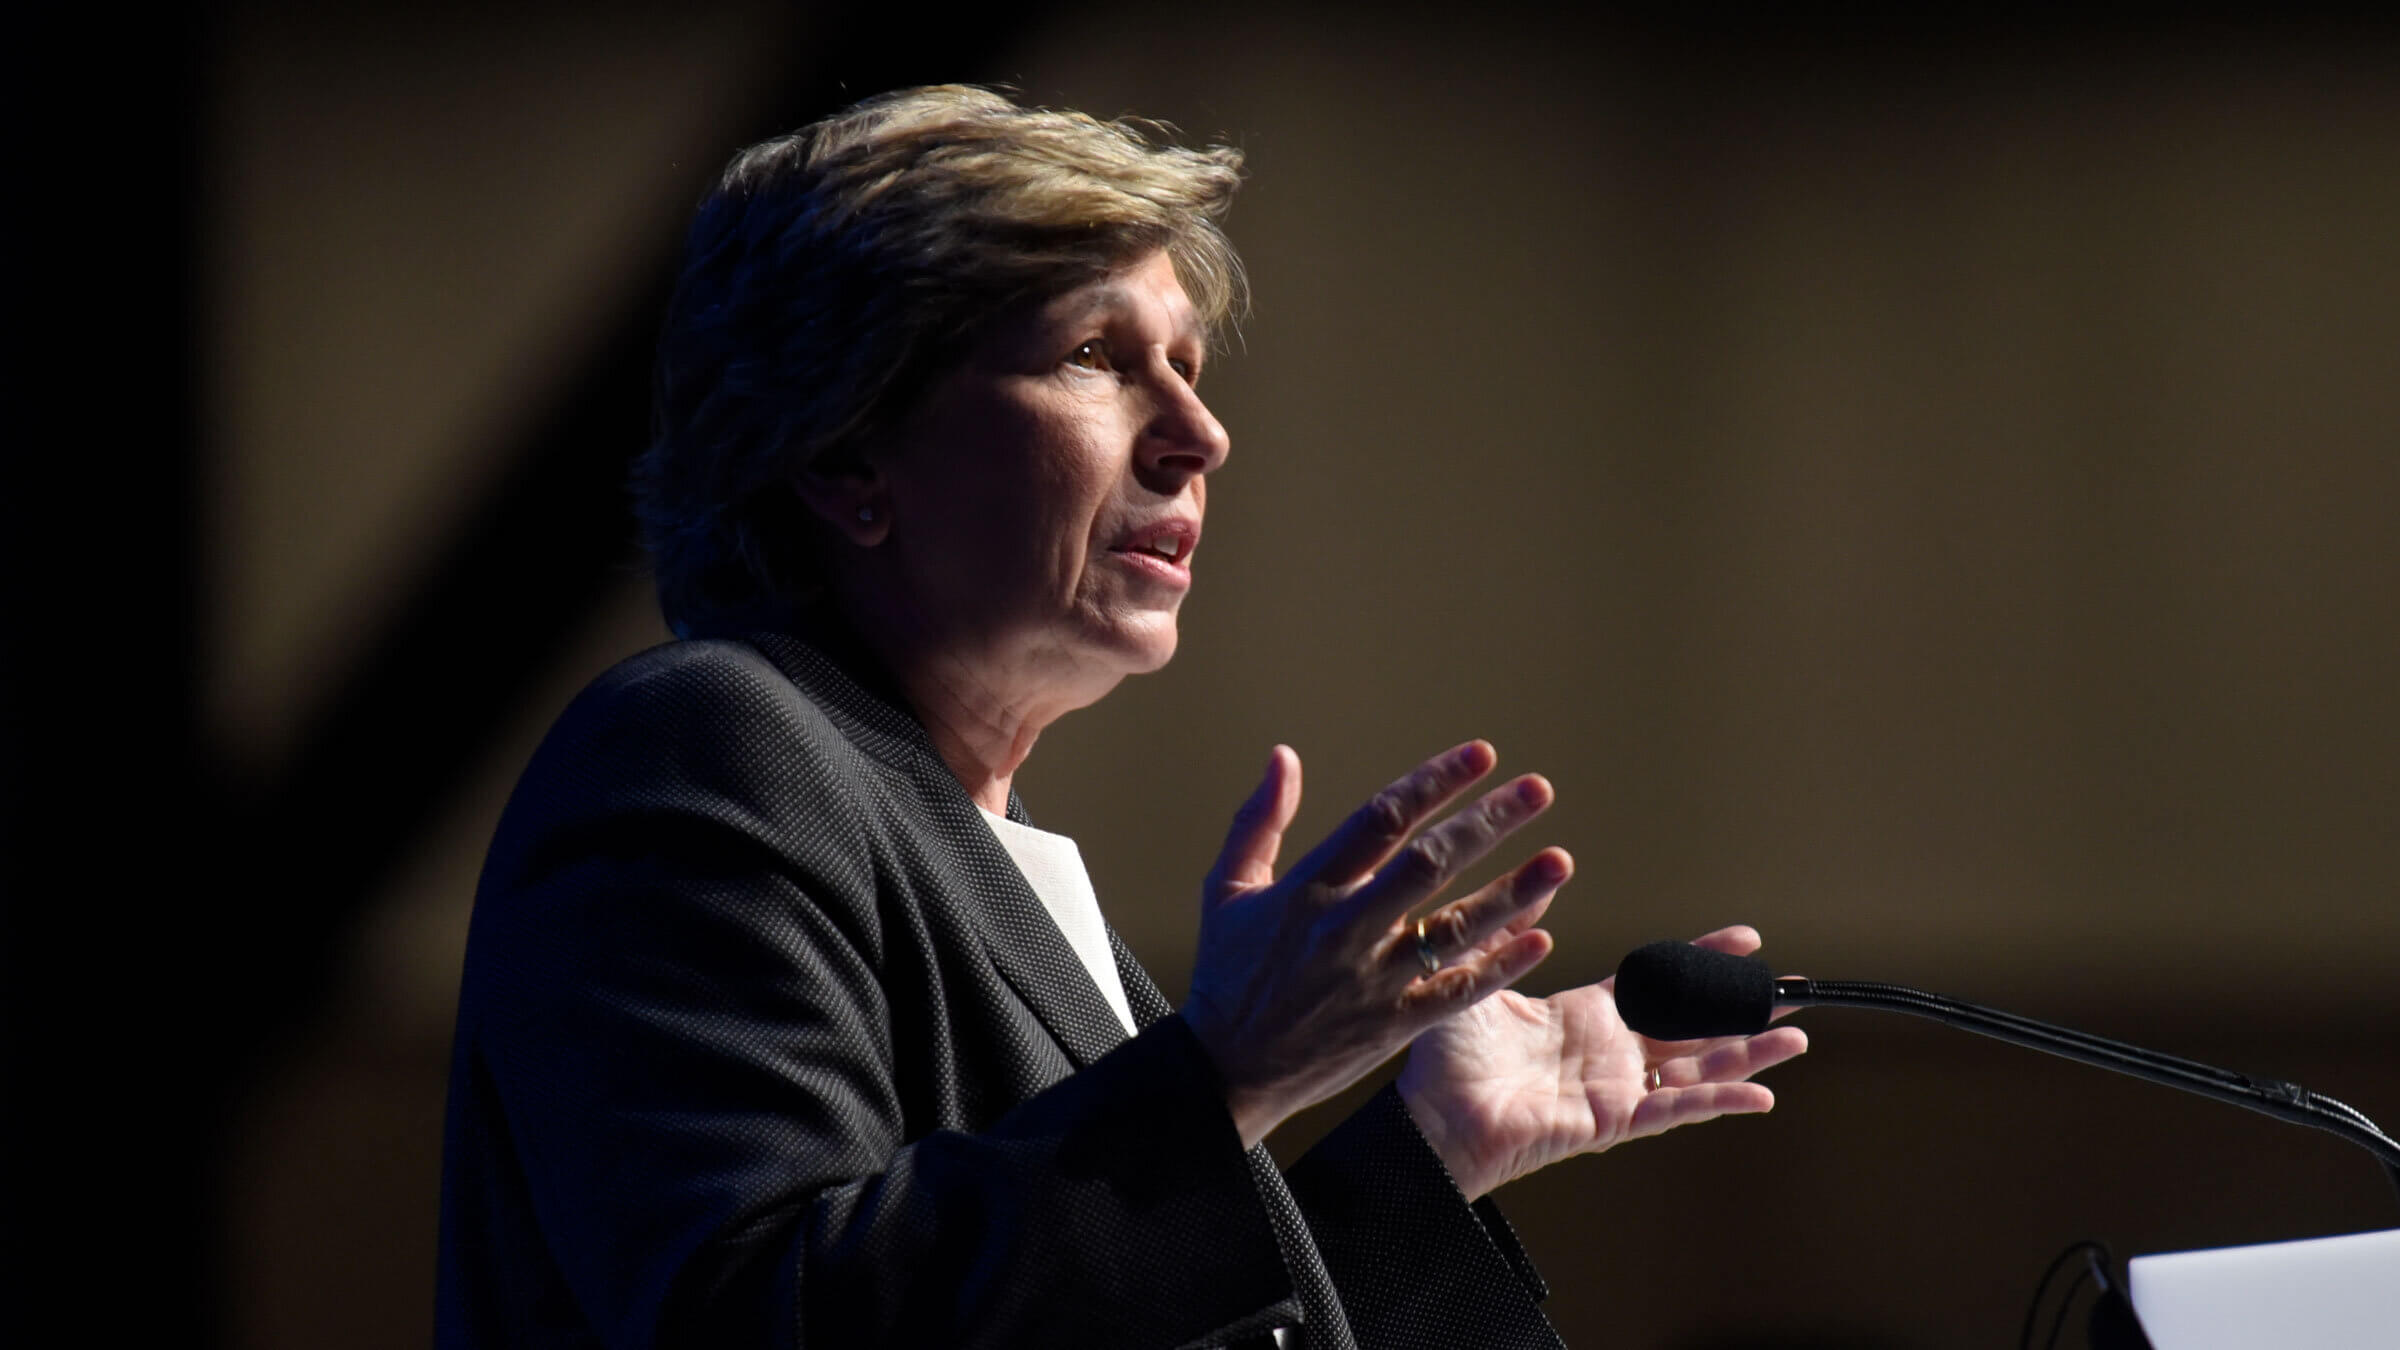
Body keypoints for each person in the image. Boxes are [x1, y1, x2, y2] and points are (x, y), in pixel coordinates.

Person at [435, 85, 1807, 1350]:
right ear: (847, 453)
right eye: (1097, 353)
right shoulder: (705, 751)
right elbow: (760, 1319)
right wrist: (1225, 1074)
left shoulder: (980, 841)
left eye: (1191, 365)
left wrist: (1420, 1156)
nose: (1199, 433)